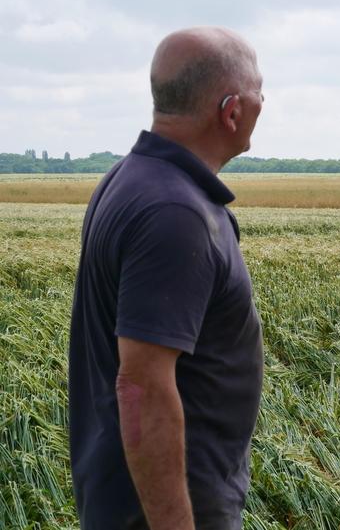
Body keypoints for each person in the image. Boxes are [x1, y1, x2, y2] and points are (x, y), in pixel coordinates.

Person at [69, 27, 265, 530]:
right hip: (166, 511)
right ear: (231, 110)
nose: (264, 102)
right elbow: (142, 385)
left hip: (131, 501)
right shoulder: (174, 212)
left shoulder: (132, 178)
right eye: (258, 91)